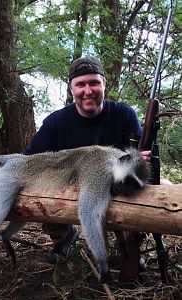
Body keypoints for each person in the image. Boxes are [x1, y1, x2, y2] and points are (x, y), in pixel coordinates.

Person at [23, 56, 151, 266]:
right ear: (71, 89)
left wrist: (139, 163)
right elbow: (29, 161)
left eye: (94, 83)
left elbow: (140, 163)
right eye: (80, 84)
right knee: (38, 188)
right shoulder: (56, 122)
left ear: (104, 84)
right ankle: (63, 239)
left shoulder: (124, 114)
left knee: (160, 188)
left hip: (117, 190)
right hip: (69, 191)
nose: (88, 91)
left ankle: (129, 248)